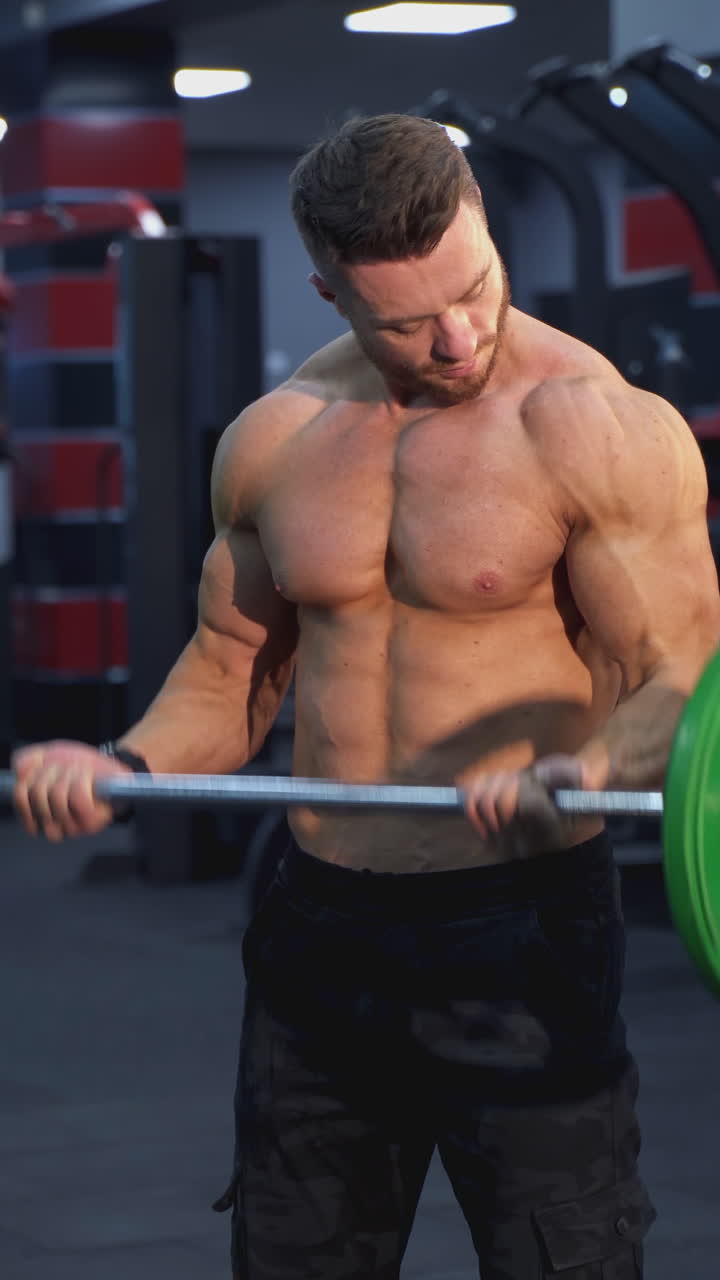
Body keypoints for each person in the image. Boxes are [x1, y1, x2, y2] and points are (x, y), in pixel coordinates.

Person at [11, 114, 720, 1278]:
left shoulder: (593, 424)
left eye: (474, 291)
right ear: (329, 291)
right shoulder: (276, 440)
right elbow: (229, 671)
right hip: (321, 927)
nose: (455, 337)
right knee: (295, 1255)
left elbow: (685, 682)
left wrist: (583, 768)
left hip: (521, 931)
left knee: (565, 1254)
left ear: (485, 223)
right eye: (405, 319)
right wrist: (125, 766)